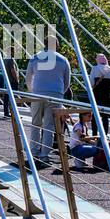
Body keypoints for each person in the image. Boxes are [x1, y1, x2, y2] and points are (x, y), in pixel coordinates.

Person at [25, 33, 71, 164]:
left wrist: (32, 91)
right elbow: (67, 81)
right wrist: (60, 93)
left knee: (35, 123)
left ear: (44, 44)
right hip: (55, 94)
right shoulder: (63, 60)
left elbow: (28, 77)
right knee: (49, 126)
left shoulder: (35, 58)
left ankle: (33, 152)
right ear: (56, 45)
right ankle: (44, 154)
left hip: (37, 93)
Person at [88, 53, 110, 135]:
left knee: (95, 115)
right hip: (107, 96)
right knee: (105, 117)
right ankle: (105, 135)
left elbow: (91, 83)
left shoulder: (94, 68)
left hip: (96, 95)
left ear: (97, 60)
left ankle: (94, 134)